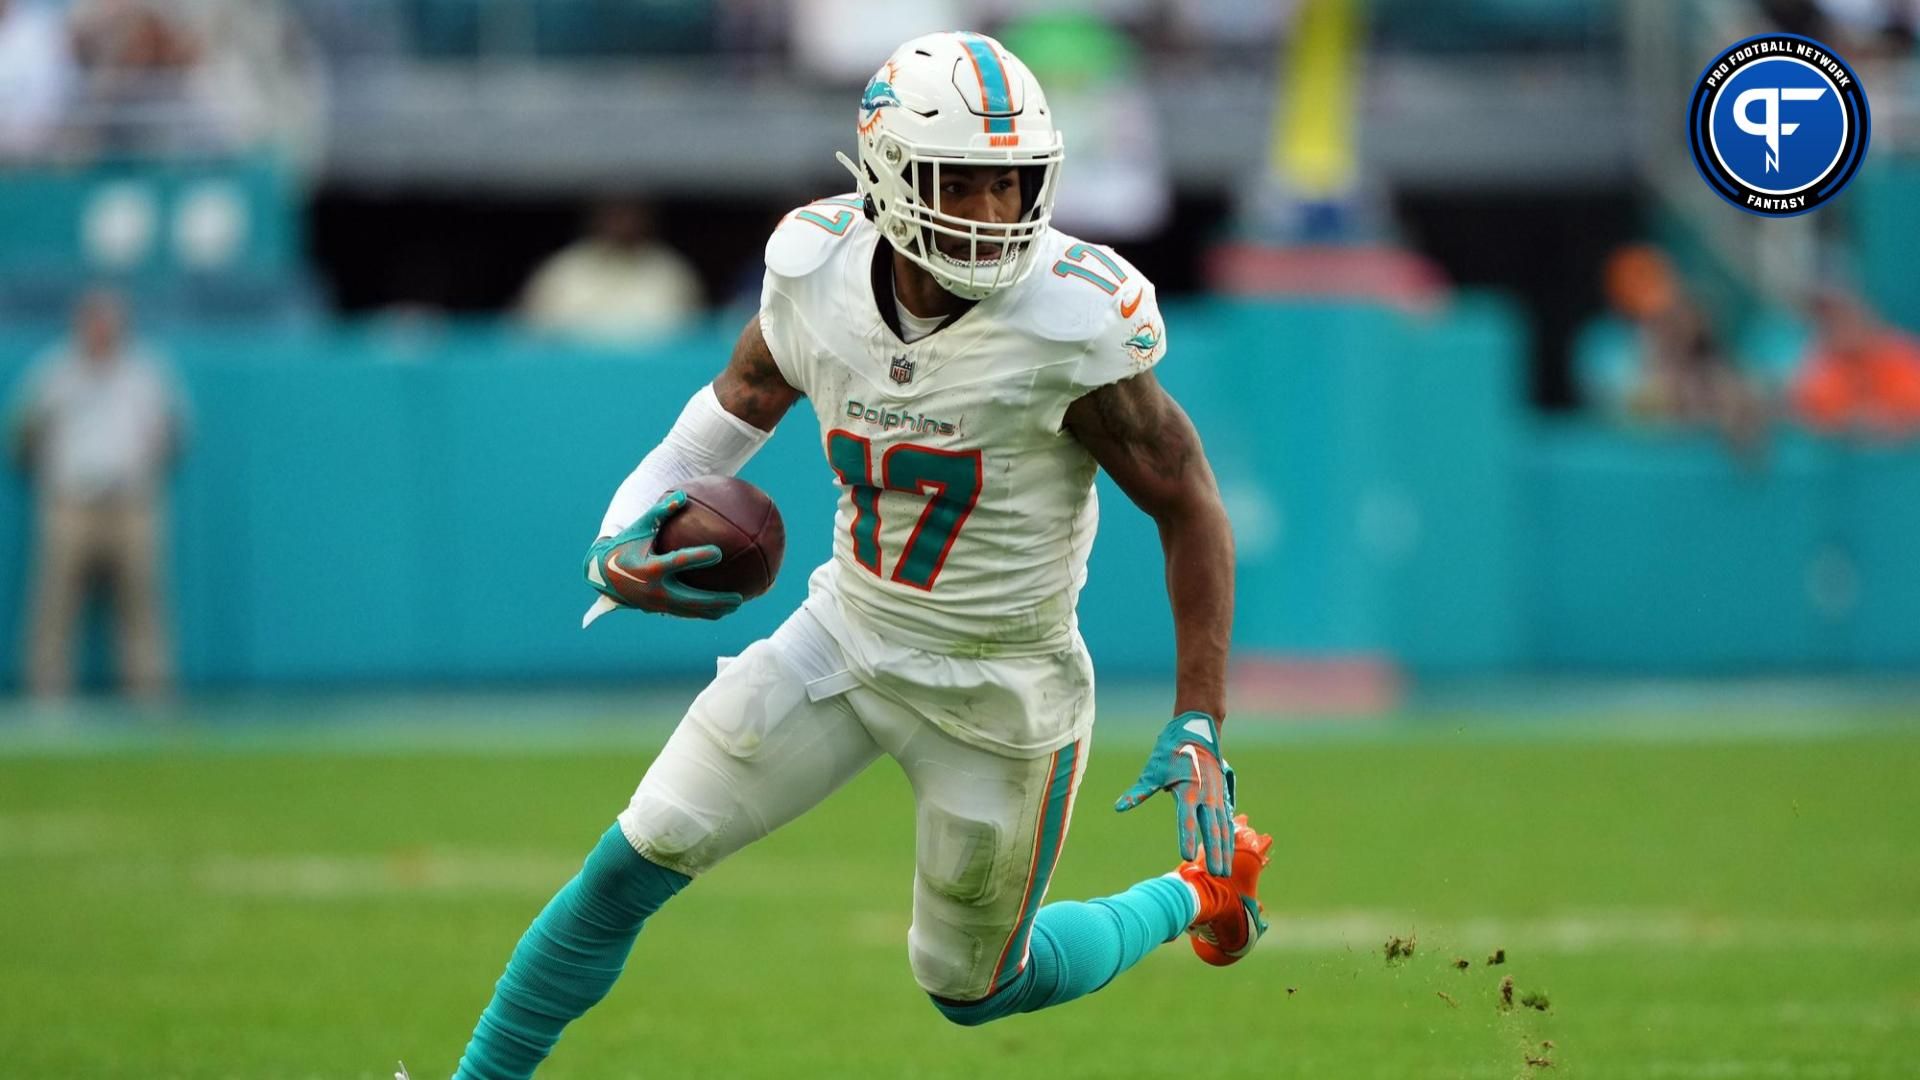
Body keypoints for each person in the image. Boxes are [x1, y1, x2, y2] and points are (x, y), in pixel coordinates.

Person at [441, 32, 1269, 1080]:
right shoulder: (815, 272)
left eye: (1012, 185)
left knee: (975, 989)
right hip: (846, 635)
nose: (991, 214)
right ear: (885, 174)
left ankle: (1202, 888)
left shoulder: (1070, 325)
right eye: (958, 183)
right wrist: (620, 535)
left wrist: (1199, 713)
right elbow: (723, 420)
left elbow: (1188, 502)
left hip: (999, 685)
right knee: (633, 861)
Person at [7, 290, 187, 700]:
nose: (102, 331)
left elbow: (175, 435)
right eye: (95, 322)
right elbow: (23, 435)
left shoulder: (146, 372)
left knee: (142, 602)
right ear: (81, 324)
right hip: (71, 502)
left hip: (132, 502)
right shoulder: (55, 371)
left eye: (110, 322)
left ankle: (151, 698)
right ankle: (46, 699)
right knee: (55, 602)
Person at [518, 200, 705, 345]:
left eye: (629, 213)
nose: (622, 222)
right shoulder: (563, 271)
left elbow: (694, 339)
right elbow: (528, 335)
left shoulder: (672, 273)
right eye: (614, 214)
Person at [1791, 288, 1920, 436]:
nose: (1840, 329)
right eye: (1831, 322)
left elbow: (1913, 412)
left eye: (1846, 319)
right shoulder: (1820, 366)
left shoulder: (1899, 356)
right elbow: (1812, 417)